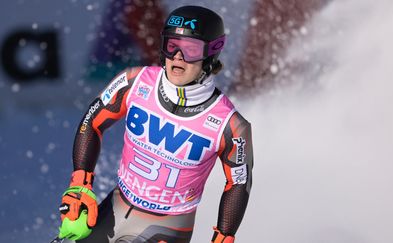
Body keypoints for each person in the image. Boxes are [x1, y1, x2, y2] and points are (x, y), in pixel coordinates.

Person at [57, 5, 253, 243]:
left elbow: (238, 181)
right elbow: (92, 122)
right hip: (115, 207)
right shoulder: (134, 81)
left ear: (211, 54)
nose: (178, 57)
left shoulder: (230, 123)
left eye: (190, 49)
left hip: (168, 226)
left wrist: (224, 236)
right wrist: (80, 185)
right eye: (173, 46)